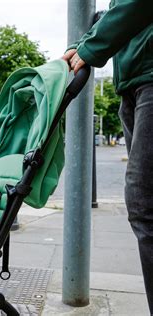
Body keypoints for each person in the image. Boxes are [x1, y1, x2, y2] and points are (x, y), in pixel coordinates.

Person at [62, 1, 152, 313]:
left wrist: (90, 48)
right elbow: (112, 15)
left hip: (149, 77)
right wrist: (81, 46)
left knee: (144, 203)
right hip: (135, 79)